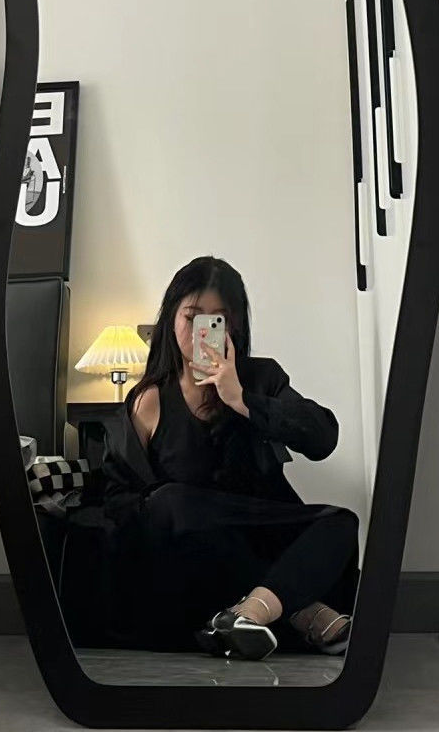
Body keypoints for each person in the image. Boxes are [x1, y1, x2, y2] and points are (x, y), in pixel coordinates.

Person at [96, 255, 359, 660]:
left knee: (341, 522)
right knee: (171, 503)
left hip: (262, 529)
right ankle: (299, 612)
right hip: (195, 555)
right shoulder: (150, 400)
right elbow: (120, 501)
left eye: (216, 319)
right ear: (171, 320)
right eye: (192, 317)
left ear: (233, 325)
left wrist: (242, 400)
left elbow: (324, 437)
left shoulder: (262, 379)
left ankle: (249, 614)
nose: (202, 331)